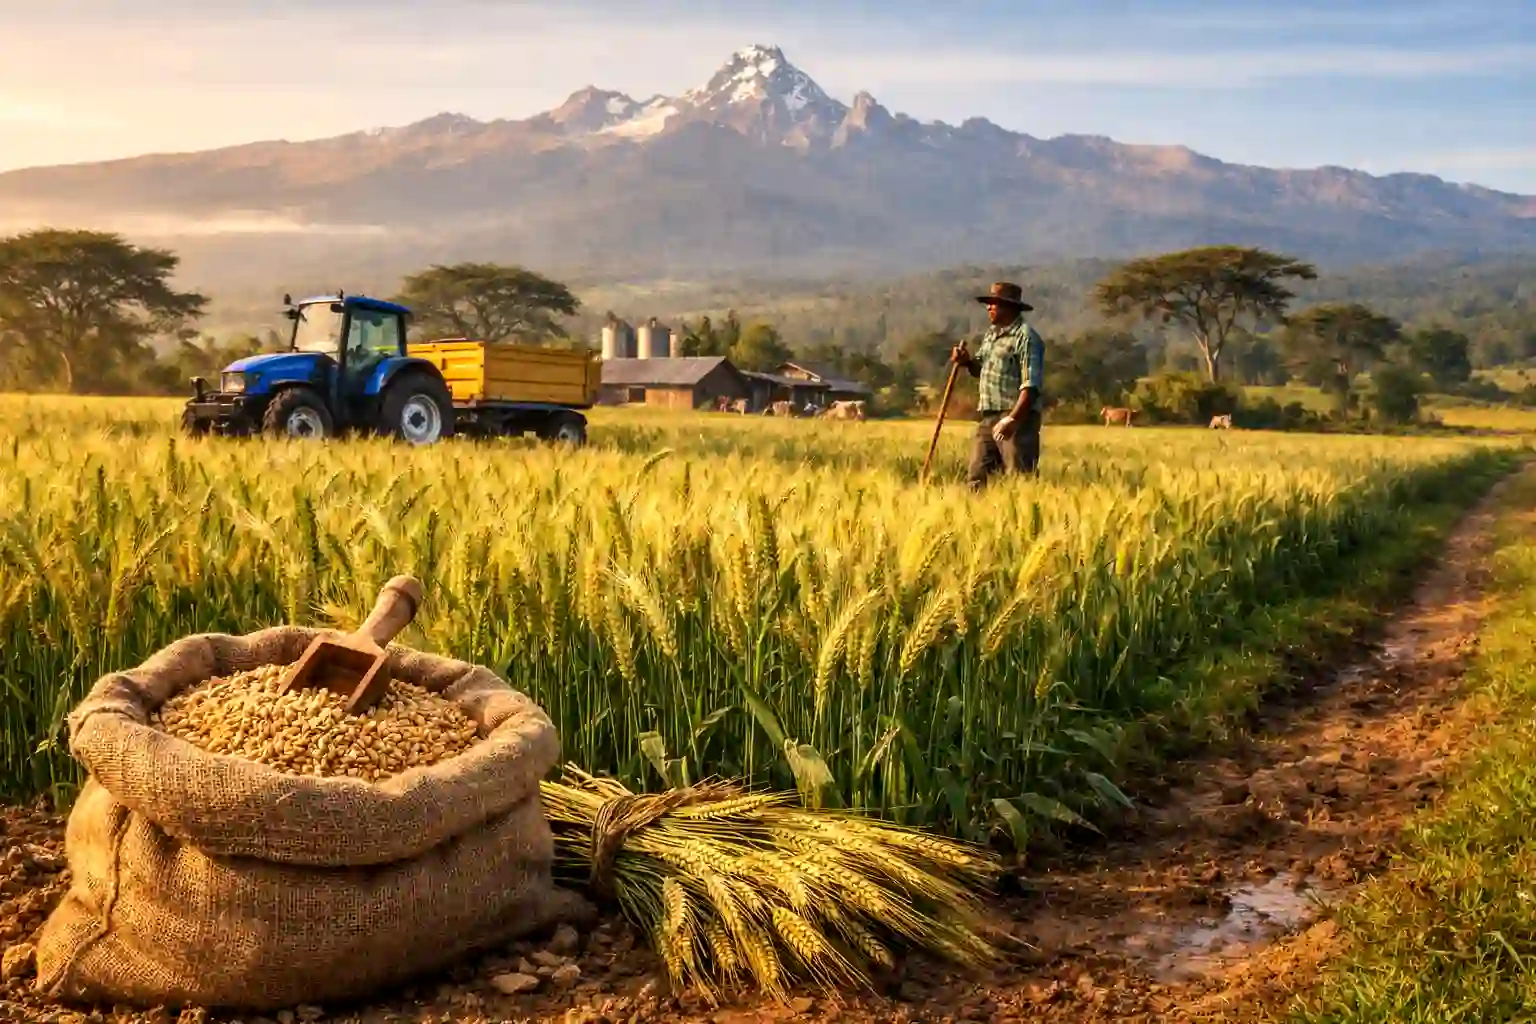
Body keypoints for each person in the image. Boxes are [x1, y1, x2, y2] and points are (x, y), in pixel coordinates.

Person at [951, 281, 1045, 490]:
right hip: (989, 417)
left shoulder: (1026, 337)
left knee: (1019, 478)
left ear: (1009, 307)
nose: (989, 308)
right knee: (976, 479)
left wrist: (1012, 419)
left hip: (1017, 419)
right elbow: (980, 369)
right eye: (989, 303)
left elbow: (1031, 386)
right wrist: (966, 361)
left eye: (994, 304)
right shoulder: (991, 335)